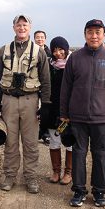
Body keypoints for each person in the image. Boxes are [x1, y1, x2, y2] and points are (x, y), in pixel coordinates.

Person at [60, 19, 105, 208]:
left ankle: (99, 192)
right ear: (85, 35)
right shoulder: (75, 58)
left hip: (102, 117)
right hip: (77, 117)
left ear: (103, 35)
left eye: (97, 32)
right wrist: (64, 113)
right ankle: (79, 191)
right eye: (90, 32)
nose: (94, 36)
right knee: (79, 153)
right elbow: (66, 88)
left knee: (100, 154)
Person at [0, 15, 51, 194]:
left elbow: (46, 79)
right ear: (13, 27)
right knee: (10, 142)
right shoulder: (4, 50)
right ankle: (9, 176)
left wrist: (46, 104)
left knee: (31, 142)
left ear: (30, 27)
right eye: (18, 25)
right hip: (8, 100)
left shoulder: (38, 51)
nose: (22, 28)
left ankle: (31, 177)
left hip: (30, 100)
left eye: (25, 25)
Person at [41, 36, 73, 185]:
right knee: (54, 141)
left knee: (70, 142)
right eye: (54, 50)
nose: (58, 53)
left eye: (61, 49)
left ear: (66, 49)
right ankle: (56, 171)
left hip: (70, 110)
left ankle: (68, 172)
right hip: (53, 109)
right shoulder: (49, 65)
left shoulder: (73, 64)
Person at [34, 30, 53, 145]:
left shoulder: (50, 53)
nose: (40, 39)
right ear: (34, 39)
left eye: (42, 37)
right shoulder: (31, 52)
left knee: (46, 110)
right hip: (34, 86)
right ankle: (35, 131)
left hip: (46, 85)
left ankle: (45, 132)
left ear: (45, 39)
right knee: (33, 110)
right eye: (37, 37)